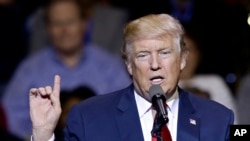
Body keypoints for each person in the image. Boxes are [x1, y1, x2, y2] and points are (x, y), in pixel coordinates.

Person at [29, 13, 234, 141]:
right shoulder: (89, 118)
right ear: (128, 64)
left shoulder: (218, 119)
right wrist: (42, 135)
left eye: (164, 53)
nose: (155, 64)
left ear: (182, 60)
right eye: (143, 55)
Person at [1, 0, 131, 140]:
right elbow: (10, 119)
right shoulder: (29, 69)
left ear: (84, 24)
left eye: (70, 22)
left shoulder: (110, 66)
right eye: (57, 23)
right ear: (48, 27)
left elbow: (128, 112)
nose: (64, 30)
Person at [178, 27, 239, 124]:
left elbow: (232, 122)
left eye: (188, 49)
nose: (184, 57)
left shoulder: (214, 83)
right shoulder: (160, 88)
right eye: (178, 50)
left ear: (198, 55)